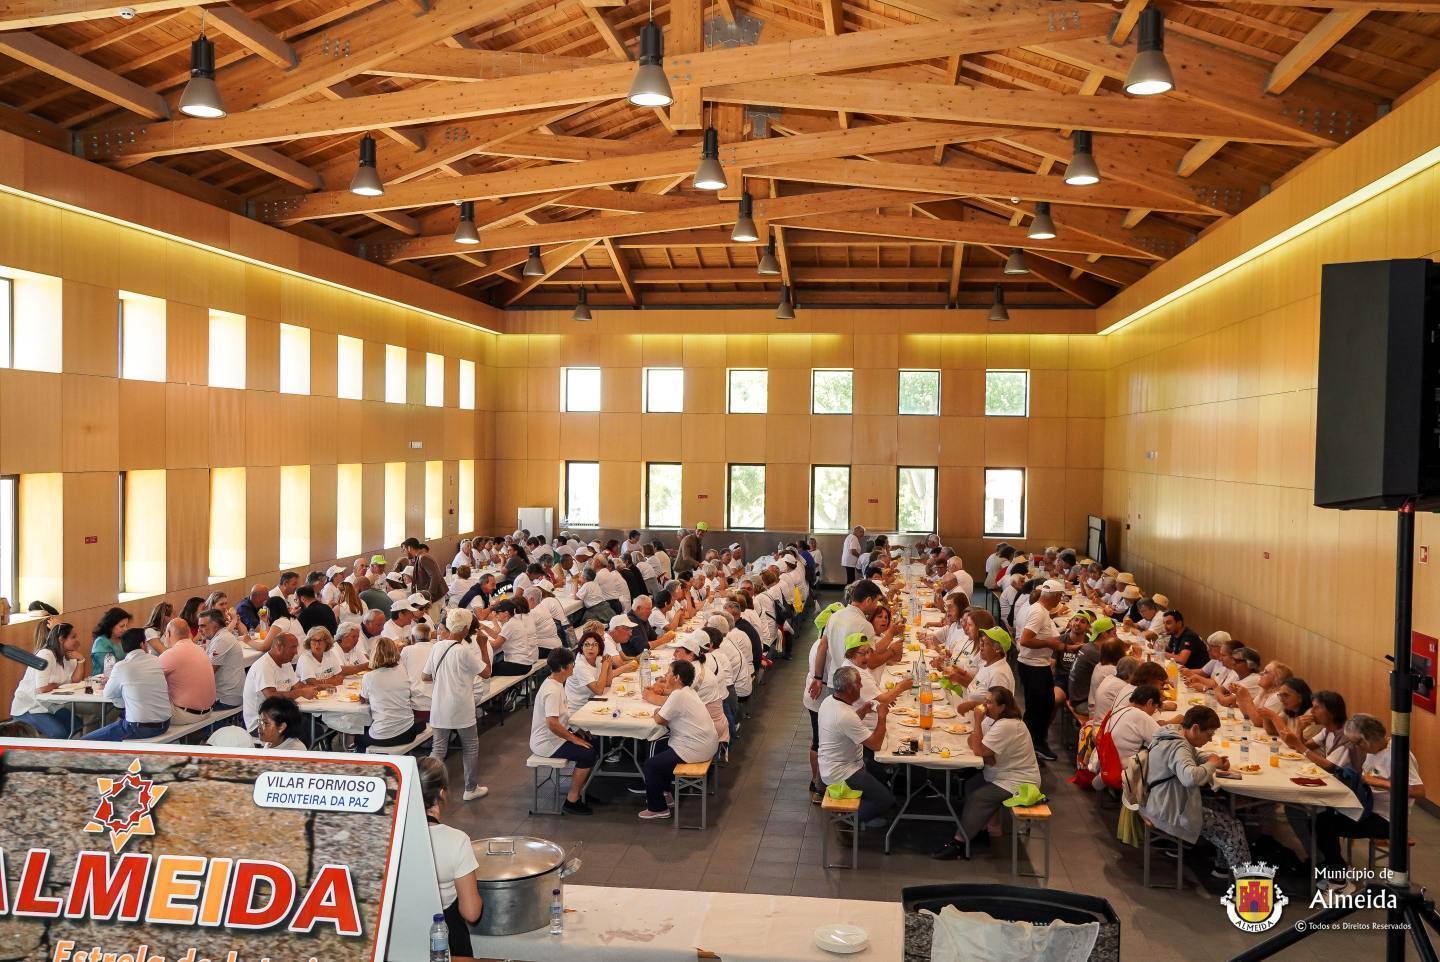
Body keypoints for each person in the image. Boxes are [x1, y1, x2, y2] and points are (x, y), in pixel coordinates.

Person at [1141, 706, 1251, 877]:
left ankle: (1222, 868)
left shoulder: (1171, 734)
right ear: (1195, 728)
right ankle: (1248, 887)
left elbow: (1190, 757)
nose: (1210, 739)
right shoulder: (1179, 746)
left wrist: (1211, 759)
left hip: (1157, 801)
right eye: (1209, 734)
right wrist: (1212, 764)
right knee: (1233, 828)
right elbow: (1190, 778)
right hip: (1169, 811)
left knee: (1223, 810)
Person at [933, 687, 1041, 860]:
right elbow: (973, 741)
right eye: (985, 700)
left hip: (1018, 781)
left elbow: (977, 748)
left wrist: (977, 721)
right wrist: (983, 747)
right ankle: (978, 830)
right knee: (971, 785)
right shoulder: (994, 720)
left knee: (979, 797)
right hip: (1001, 772)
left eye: (989, 702)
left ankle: (959, 844)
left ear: (1002, 707)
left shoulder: (1007, 725)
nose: (984, 705)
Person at [417, 757, 483, 958]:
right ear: (441, 793)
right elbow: (471, 913)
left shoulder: (391, 836)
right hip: (445, 938)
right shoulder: (457, 840)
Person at [638, 659, 720, 820]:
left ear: (677, 678)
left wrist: (656, 711)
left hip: (695, 748)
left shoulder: (678, 695)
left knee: (651, 765)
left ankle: (658, 808)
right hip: (706, 743)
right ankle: (666, 793)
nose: (665, 675)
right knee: (658, 745)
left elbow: (660, 719)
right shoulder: (688, 691)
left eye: (669, 672)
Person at [817, 664, 894, 828]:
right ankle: (850, 819)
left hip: (831, 763)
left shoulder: (830, 701)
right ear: (850, 688)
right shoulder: (845, 715)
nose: (861, 686)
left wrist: (863, 711)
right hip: (841, 773)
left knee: (879, 772)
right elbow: (876, 744)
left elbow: (845, 726)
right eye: (858, 683)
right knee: (886, 800)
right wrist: (882, 718)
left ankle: (866, 806)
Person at [426, 608, 490, 802]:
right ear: (465, 629)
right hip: (461, 706)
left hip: (440, 705)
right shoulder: (463, 651)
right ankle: (470, 788)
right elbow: (486, 672)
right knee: (470, 747)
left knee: (438, 749)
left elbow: (425, 676)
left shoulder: (437, 647)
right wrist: (483, 645)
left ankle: (427, 789)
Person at [528, 648, 596, 815]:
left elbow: (562, 718)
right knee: (588, 753)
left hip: (555, 737)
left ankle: (582, 789)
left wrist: (578, 731)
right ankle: (572, 800)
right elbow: (552, 724)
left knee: (594, 742)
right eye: (572, 664)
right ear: (563, 668)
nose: (574, 666)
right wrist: (574, 738)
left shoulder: (556, 683)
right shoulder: (552, 690)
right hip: (547, 743)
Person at [1014, 579, 1071, 761]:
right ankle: (1033, 745)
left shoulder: (1038, 609)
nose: (1060, 600)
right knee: (1038, 708)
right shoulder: (1038, 612)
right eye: (1060, 596)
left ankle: (1035, 743)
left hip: (1037, 664)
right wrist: (1050, 643)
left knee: (1044, 705)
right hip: (1033, 666)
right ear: (1054, 596)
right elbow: (1025, 640)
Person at [89, 628, 173, 741]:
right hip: (164, 724)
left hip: (138, 728)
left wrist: (112, 683)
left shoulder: (121, 666)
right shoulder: (156, 661)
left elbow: (108, 694)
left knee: (85, 741)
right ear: (142, 644)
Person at [8, 622, 84, 738]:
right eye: (73, 637)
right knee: (59, 732)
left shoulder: (67, 655)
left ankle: (66, 747)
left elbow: (75, 680)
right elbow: (42, 689)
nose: (76, 640)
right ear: (61, 639)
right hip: (29, 707)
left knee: (77, 724)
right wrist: (57, 685)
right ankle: (55, 748)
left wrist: (81, 660)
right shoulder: (46, 654)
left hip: (49, 705)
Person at [356, 636, 424, 752]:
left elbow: (363, 699)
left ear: (374, 654)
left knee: (358, 737)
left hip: (383, 735)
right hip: (407, 732)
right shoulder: (403, 670)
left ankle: (364, 760)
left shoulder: (369, 677)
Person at [241, 632, 316, 732]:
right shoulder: (263, 666)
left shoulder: (285, 662)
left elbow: (298, 685)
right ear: (279, 647)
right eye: (293, 647)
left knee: (314, 727)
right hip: (261, 724)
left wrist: (320, 688)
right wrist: (301, 693)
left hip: (280, 715)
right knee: (311, 730)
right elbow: (271, 697)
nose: (296, 652)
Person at [158, 618, 217, 724]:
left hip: (186, 715)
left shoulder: (171, 654)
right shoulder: (200, 649)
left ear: (169, 633)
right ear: (188, 633)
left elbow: (148, 677)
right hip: (208, 711)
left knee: (148, 697)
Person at [198, 607, 246, 712]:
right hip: (229, 695)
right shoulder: (220, 636)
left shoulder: (221, 640)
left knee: (186, 708)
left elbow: (208, 672)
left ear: (215, 626)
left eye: (203, 626)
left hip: (226, 699)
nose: (199, 630)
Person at [484, 599, 538, 676]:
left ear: (506, 613)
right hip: (524, 662)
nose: (495, 615)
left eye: (498, 612)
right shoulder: (514, 620)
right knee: (494, 665)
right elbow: (499, 637)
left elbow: (496, 645)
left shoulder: (509, 624)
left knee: (487, 671)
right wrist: (484, 628)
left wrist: (482, 639)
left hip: (519, 664)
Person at [89, 607, 132, 676]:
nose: (125, 629)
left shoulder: (123, 639)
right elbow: (109, 667)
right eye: (122, 626)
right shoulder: (101, 642)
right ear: (111, 626)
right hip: (103, 680)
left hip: (122, 676)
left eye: (126, 625)